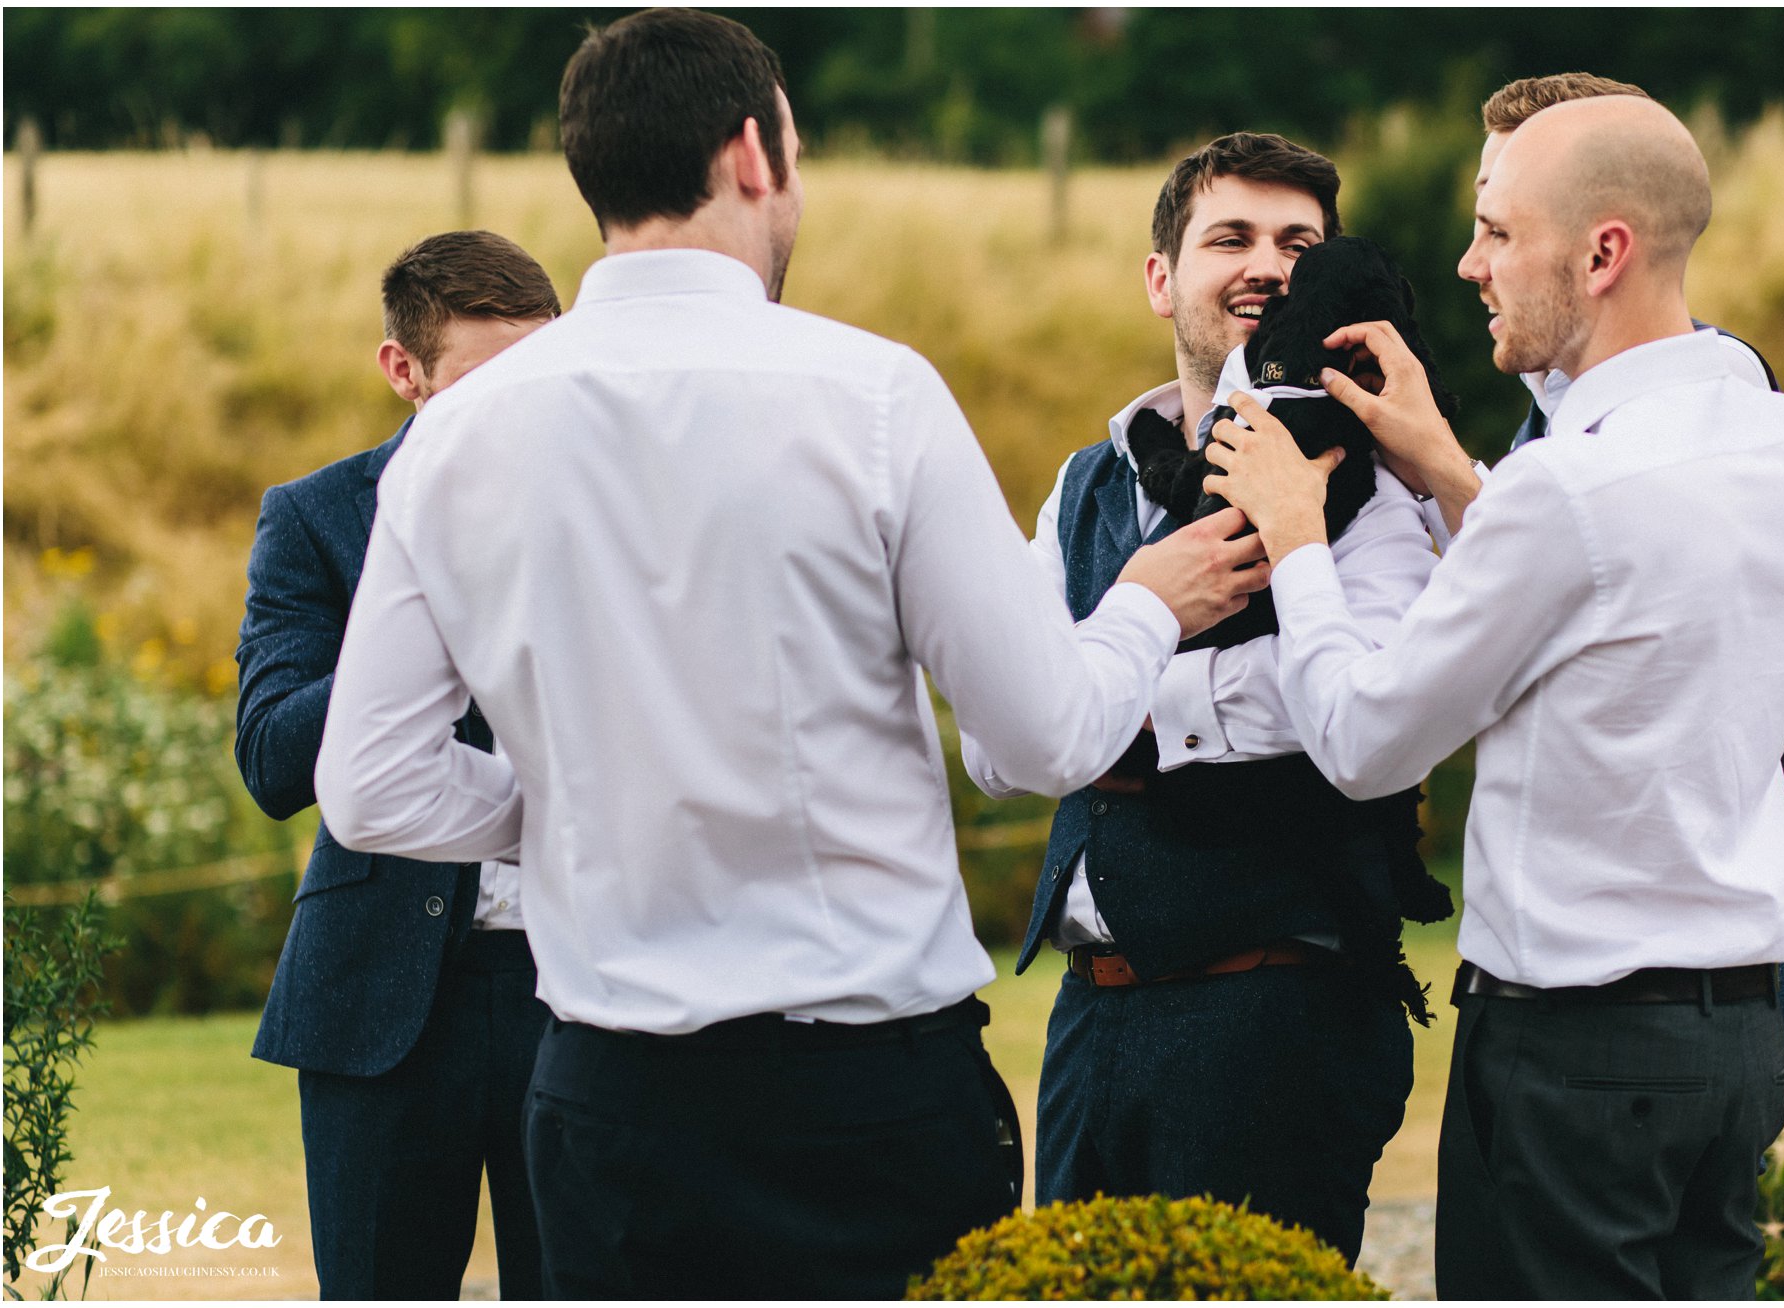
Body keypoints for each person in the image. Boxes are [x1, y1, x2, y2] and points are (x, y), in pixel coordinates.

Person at [309, 9, 1266, 1300]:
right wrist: (1146, 602)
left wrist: (577, 800)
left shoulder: (455, 438)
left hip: (608, 1099)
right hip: (862, 1102)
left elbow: (368, 784)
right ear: (752, 153)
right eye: (796, 155)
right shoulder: (872, 398)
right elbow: (1042, 735)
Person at [1205, 96, 1784, 1297]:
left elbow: (1360, 740)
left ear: (1601, 254)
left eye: (1496, 233)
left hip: (1573, 1064)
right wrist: (1449, 467)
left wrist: (1296, 535)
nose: (1467, 266)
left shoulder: (1567, 491)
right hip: (1741, 1045)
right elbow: (1608, 579)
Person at [961, 133, 1443, 1263]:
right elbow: (995, 736)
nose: (1264, 266)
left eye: (1297, 243)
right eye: (1229, 237)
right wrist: (1136, 665)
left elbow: (1370, 705)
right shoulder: (1084, 484)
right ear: (1159, 276)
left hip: (1272, 1012)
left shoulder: (1368, 487)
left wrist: (1107, 694)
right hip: (1088, 1015)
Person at [235, 230, 560, 1299]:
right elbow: (275, 758)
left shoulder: (612, 510)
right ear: (402, 371)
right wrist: (424, 612)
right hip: (376, 995)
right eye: (479, 384)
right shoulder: (317, 518)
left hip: (582, 989)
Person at [1478, 73, 1784, 1065]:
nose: (1478, 254)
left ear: (1597, 231)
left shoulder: (1714, 395)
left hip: (1679, 939)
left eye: (1500, 214)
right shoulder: (1551, 395)